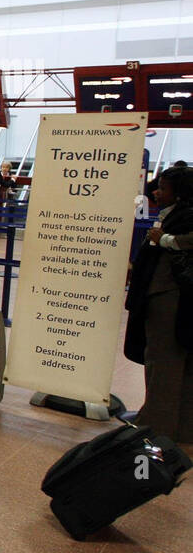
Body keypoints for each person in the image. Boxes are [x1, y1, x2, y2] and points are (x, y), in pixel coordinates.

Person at [125, 167, 193, 443]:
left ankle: (155, 426)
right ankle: (182, 428)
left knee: (163, 363)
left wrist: (165, 240)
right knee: (181, 365)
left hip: (170, 296)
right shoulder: (175, 214)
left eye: (163, 188)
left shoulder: (184, 218)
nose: (156, 192)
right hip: (170, 296)